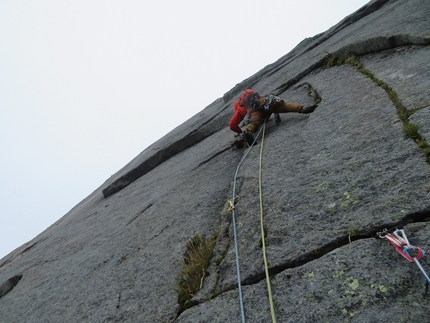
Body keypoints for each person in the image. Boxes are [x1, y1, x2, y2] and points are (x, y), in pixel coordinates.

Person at [229, 89, 318, 145]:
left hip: (254, 111)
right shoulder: (250, 93)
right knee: (283, 106)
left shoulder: (241, 109)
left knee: (255, 122)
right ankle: (302, 108)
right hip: (264, 101)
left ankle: (248, 131)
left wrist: (240, 132)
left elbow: (232, 125)